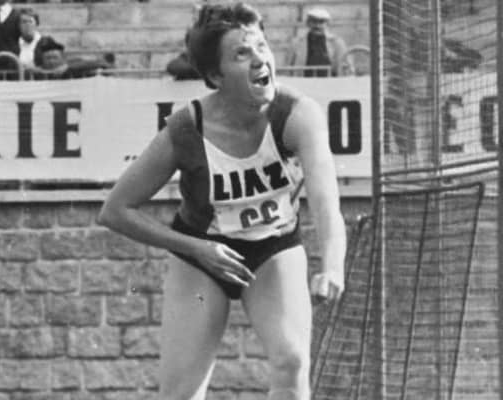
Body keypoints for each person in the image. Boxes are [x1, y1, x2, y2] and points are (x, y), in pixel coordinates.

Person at [97, 3, 346, 400]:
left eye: (262, 46)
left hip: (273, 247)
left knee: (293, 362)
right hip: (201, 254)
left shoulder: (297, 115)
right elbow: (115, 210)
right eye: (241, 54)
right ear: (215, 76)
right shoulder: (186, 129)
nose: (259, 59)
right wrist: (196, 248)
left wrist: (332, 266)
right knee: (181, 393)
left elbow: (326, 203)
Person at [287, 8, 353, 77]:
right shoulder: (296, 43)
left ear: (327, 24)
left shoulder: (337, 42)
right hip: (303, 81)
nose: (317, 26)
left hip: (329, 81)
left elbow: (346, 67)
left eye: (321, 22)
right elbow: (287, 67)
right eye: (314, 21)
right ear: (308, 23)